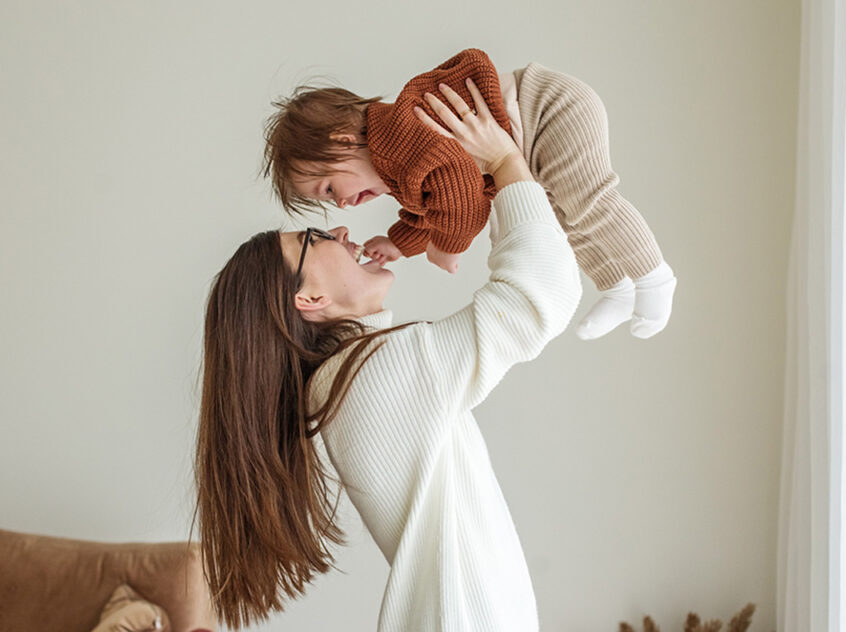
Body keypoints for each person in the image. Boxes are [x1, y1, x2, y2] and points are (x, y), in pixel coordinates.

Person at [196, 82, 581, 630]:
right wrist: (503, 160)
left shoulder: (349, 380)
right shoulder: (375, 374)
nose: (340, 226)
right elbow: (540, 294)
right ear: (309, 299)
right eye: (314, 236)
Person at [263, 48, 677, 340]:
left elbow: (460, 193)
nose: (338, 204)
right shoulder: (394, 165)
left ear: (343, 141)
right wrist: (399, 243)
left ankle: (655, 279)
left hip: (547, 110)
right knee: (565, 217)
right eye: (328, 201)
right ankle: (618, 286)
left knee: (590, 204)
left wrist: (447, 245)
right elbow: (428, 207)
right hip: (531, 142)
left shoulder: (397, 136)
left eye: (330, 187)